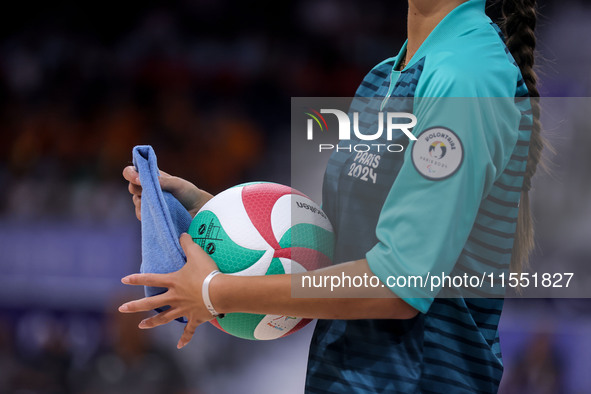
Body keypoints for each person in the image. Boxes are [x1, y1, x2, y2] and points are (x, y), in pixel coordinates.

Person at [120, 0, 542, 391]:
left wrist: (216, 292)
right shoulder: (384, 76)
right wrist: (213, 213)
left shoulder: (466, 75)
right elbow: (341, 256)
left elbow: (397, 285)